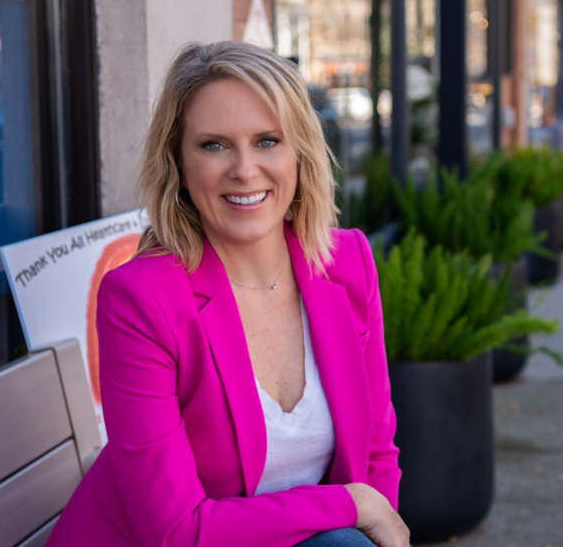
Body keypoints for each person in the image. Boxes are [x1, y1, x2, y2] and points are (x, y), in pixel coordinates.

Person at [44, 41, 409, 547]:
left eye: (267, 141)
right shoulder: (141, 299)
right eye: (214, 145)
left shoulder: (346, 263)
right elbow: (177, 532)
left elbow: (374, 451)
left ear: (299, 152)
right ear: (178, 163)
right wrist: (351, 504)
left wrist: (374, 515)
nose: (243, 169)